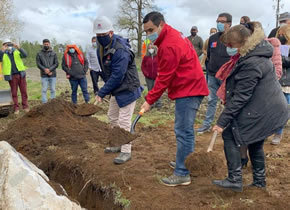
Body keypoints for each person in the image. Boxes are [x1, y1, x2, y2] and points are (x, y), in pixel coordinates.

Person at [212, 22, 288, 192]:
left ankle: (234, 179)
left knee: (230, 135)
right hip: (268, 107)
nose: (229, 49)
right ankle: (259, 181)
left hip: (265, 110)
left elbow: (241, 96)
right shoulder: (256, 54)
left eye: (231, 45)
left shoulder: (252, 62)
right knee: (255, 142)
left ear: (244, 42)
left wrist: (222, 121)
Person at [141, 11, 209, 187]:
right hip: (189, 86)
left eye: (151, 30)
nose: (149, 35)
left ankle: (182, 173)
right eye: (146, 32)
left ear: (161, 24)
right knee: (186, 131)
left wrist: (149, 100)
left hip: (189, 89)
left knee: (183, 131)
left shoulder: (169, 45)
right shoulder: (171, 34)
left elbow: (164, 77)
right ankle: (186, 162)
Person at [93, 16, 143, 164]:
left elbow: (118, 75)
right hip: (116, 89)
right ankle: (117, 143)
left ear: (110, 32)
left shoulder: (121, 50)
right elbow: (105, 69)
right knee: (112, 117)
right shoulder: (102, 48)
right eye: (98, 35)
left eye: (103, 35)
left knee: (124, 121)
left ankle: (126, 151)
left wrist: (102, 92)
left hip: (128, 88)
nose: (100, 38)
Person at [197, 13, 232, 134]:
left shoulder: (234, 38)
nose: (219, 24)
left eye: (222, 21)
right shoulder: (213, 38)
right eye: (218, 21)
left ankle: (226, 126)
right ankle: (207, 125)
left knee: (228, 102)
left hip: (227, 77)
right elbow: (209, 56)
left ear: (229, 24)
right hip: (212, 75)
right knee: (211, 100)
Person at [271, 24, 290, 144]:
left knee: (284, 109)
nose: (281, 36)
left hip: (287, 82)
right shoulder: (275, 46)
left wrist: (281, 58)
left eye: (283, 34)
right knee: (273, 108)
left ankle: (278, 133)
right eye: (280, 34)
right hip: (275, 80)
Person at [0, 39, 29, 114]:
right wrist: (2, 51)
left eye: (9, 44)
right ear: (3, 45)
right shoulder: (3, 53)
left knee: (24, 91)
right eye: (6, 44)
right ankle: (16, 108)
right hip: (11, 76)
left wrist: (19, 48)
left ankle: (25, 106)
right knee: (14, 93)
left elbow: (25, 55)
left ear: (12, 44)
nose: (8, 46)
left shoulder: (17, 51)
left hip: (21, 74)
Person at [36, 39, 59, 103]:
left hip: (53, 74)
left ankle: (53, 102)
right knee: (44, 90)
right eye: (45, 44)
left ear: (49, 44)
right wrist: (45, 70)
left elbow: (56, 63)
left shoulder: (54, 53)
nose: (46, 45)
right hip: (44, 75)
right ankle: (44, 103)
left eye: (47, 44)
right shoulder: (39, 53)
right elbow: (38, 64)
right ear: (43, 44)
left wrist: (50, 70)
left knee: (53, 90)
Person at [141, 43, 162, 109]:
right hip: (148, 77)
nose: (150, 49)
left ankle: (158, 104)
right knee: (150, 90)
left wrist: (159, 72)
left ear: (155, 48)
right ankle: (151, 104)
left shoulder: (158, 56)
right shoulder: (146, 57)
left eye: (152, 48)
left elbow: (162, 65)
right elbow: (143, 66)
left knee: (157, 89)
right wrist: (146, 74)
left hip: (157, 76)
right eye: (149, 48)